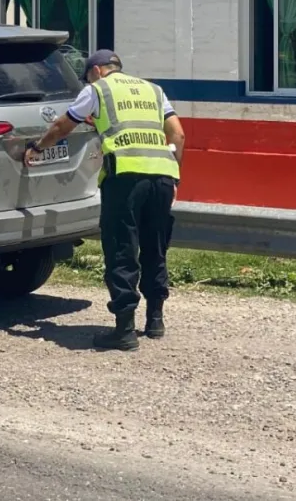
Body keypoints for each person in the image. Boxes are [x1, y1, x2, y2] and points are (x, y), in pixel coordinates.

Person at [23, 50, 185, 351]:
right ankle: (155, 320)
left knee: (122, 249)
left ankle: (124, 329)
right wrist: (174, 177)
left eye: (87, 76)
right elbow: (178, 135)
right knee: (155, 247)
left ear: (97, 71)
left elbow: (62, 126)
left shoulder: (97, 90)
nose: (88, 80)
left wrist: (38, 147)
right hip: (162, 177)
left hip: (124, 178)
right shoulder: (154, 90)